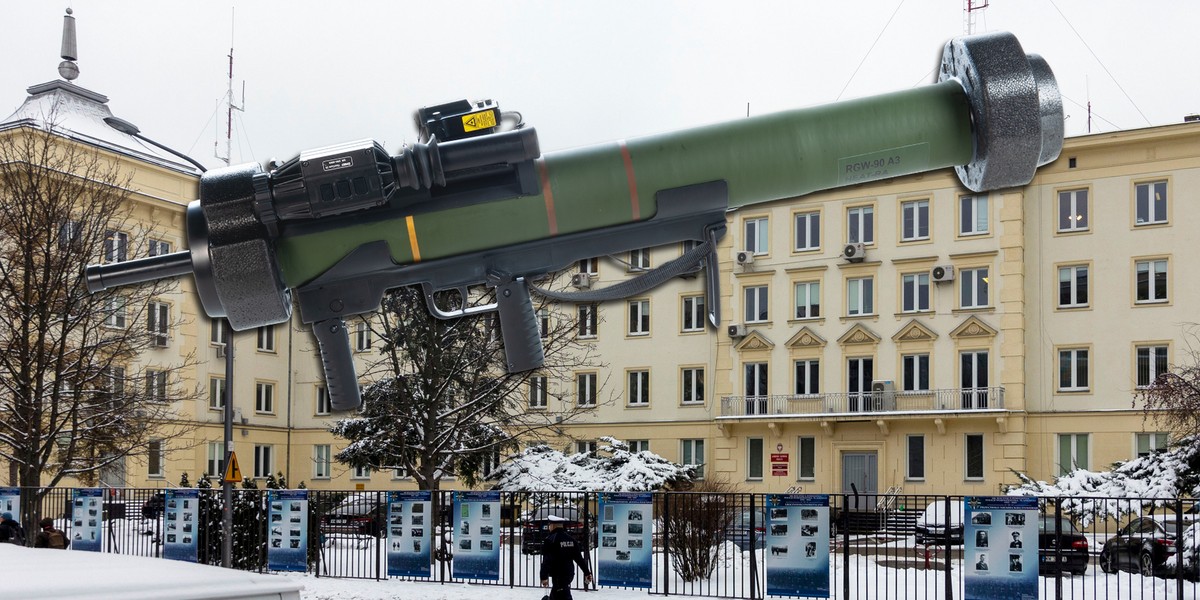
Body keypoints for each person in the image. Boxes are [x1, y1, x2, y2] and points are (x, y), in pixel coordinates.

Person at [540, 515, 593, 600]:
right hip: (569, 573)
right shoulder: (571, 540)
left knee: (562, 594)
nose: (549, 527)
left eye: (549, 525)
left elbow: (547, 560)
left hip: (557, 573)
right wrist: (586, 572)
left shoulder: (550, 540)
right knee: (559, 593)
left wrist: (543, 576)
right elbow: (578, 558)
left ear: (553, 525)